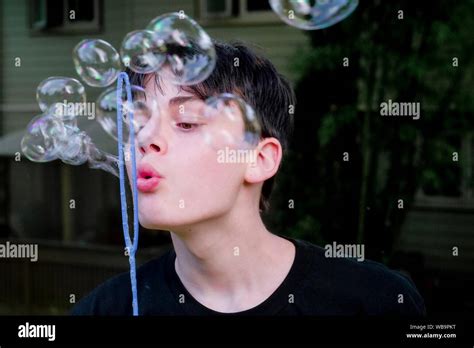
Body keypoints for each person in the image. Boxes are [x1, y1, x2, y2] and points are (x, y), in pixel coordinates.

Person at [71, 41, 425, 316]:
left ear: (258, 159)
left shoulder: (373, 302)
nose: (146, 140)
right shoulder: (107, 310)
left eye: (187, 122)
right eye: (136, 123)